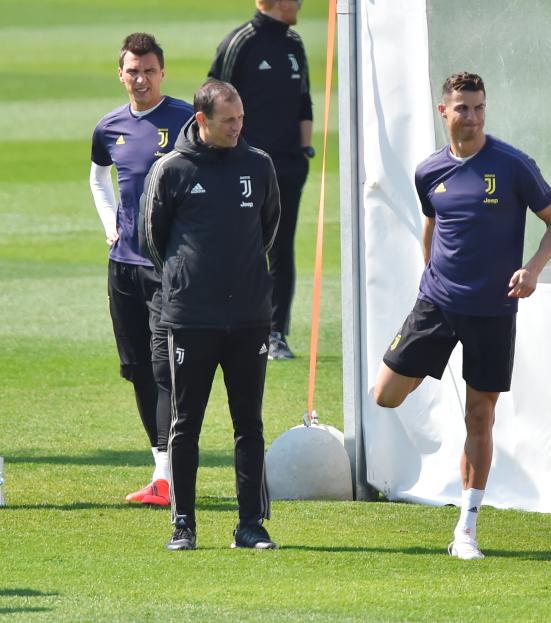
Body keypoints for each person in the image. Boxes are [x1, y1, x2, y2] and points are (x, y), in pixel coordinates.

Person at [372, 72, 551, 561]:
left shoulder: (513, 165)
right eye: (463, 108)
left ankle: (466, 529)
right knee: (386, 395)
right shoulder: (428, 171)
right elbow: (432, 225)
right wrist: (430, 276)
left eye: (479, 108)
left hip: (493, 311)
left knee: (479, 416)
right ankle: (431, 364)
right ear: (445, 112)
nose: (473, 117)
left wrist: (533, 269)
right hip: (437, 304)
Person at [140, 80, 281, 551]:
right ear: (202, 120)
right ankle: (183, 524)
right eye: (229, 120)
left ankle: (251, 525)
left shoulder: (258, 165)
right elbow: (153, 240)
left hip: (249, 318)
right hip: (191, 318)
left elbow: (268, 228)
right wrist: (188, 280)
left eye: (241, 118)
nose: (238, 127)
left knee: (250, 423)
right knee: (186, 424)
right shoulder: (172, 170)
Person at [89, 32, 192, 506]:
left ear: (162, 72)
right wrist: (110, 223)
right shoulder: (108, 126)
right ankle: (161, 472)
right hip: (123, 268)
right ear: (121, 74)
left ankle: (172, 472)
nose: (141, 78)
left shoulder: (186, 120)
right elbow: (97, 176)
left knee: (165, 365)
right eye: (133, 70)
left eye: (149, 70)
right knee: (137, 369)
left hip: (167, 268)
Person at [209, 0, 312, 360]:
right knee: (238, 245)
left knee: (281, 248)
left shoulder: (295, 44)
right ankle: (228, 327)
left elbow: (305, 104)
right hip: (242, 168)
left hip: (287, 168)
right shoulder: (241, 42)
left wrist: (304, 152)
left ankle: (276, 334)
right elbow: (211, 99)